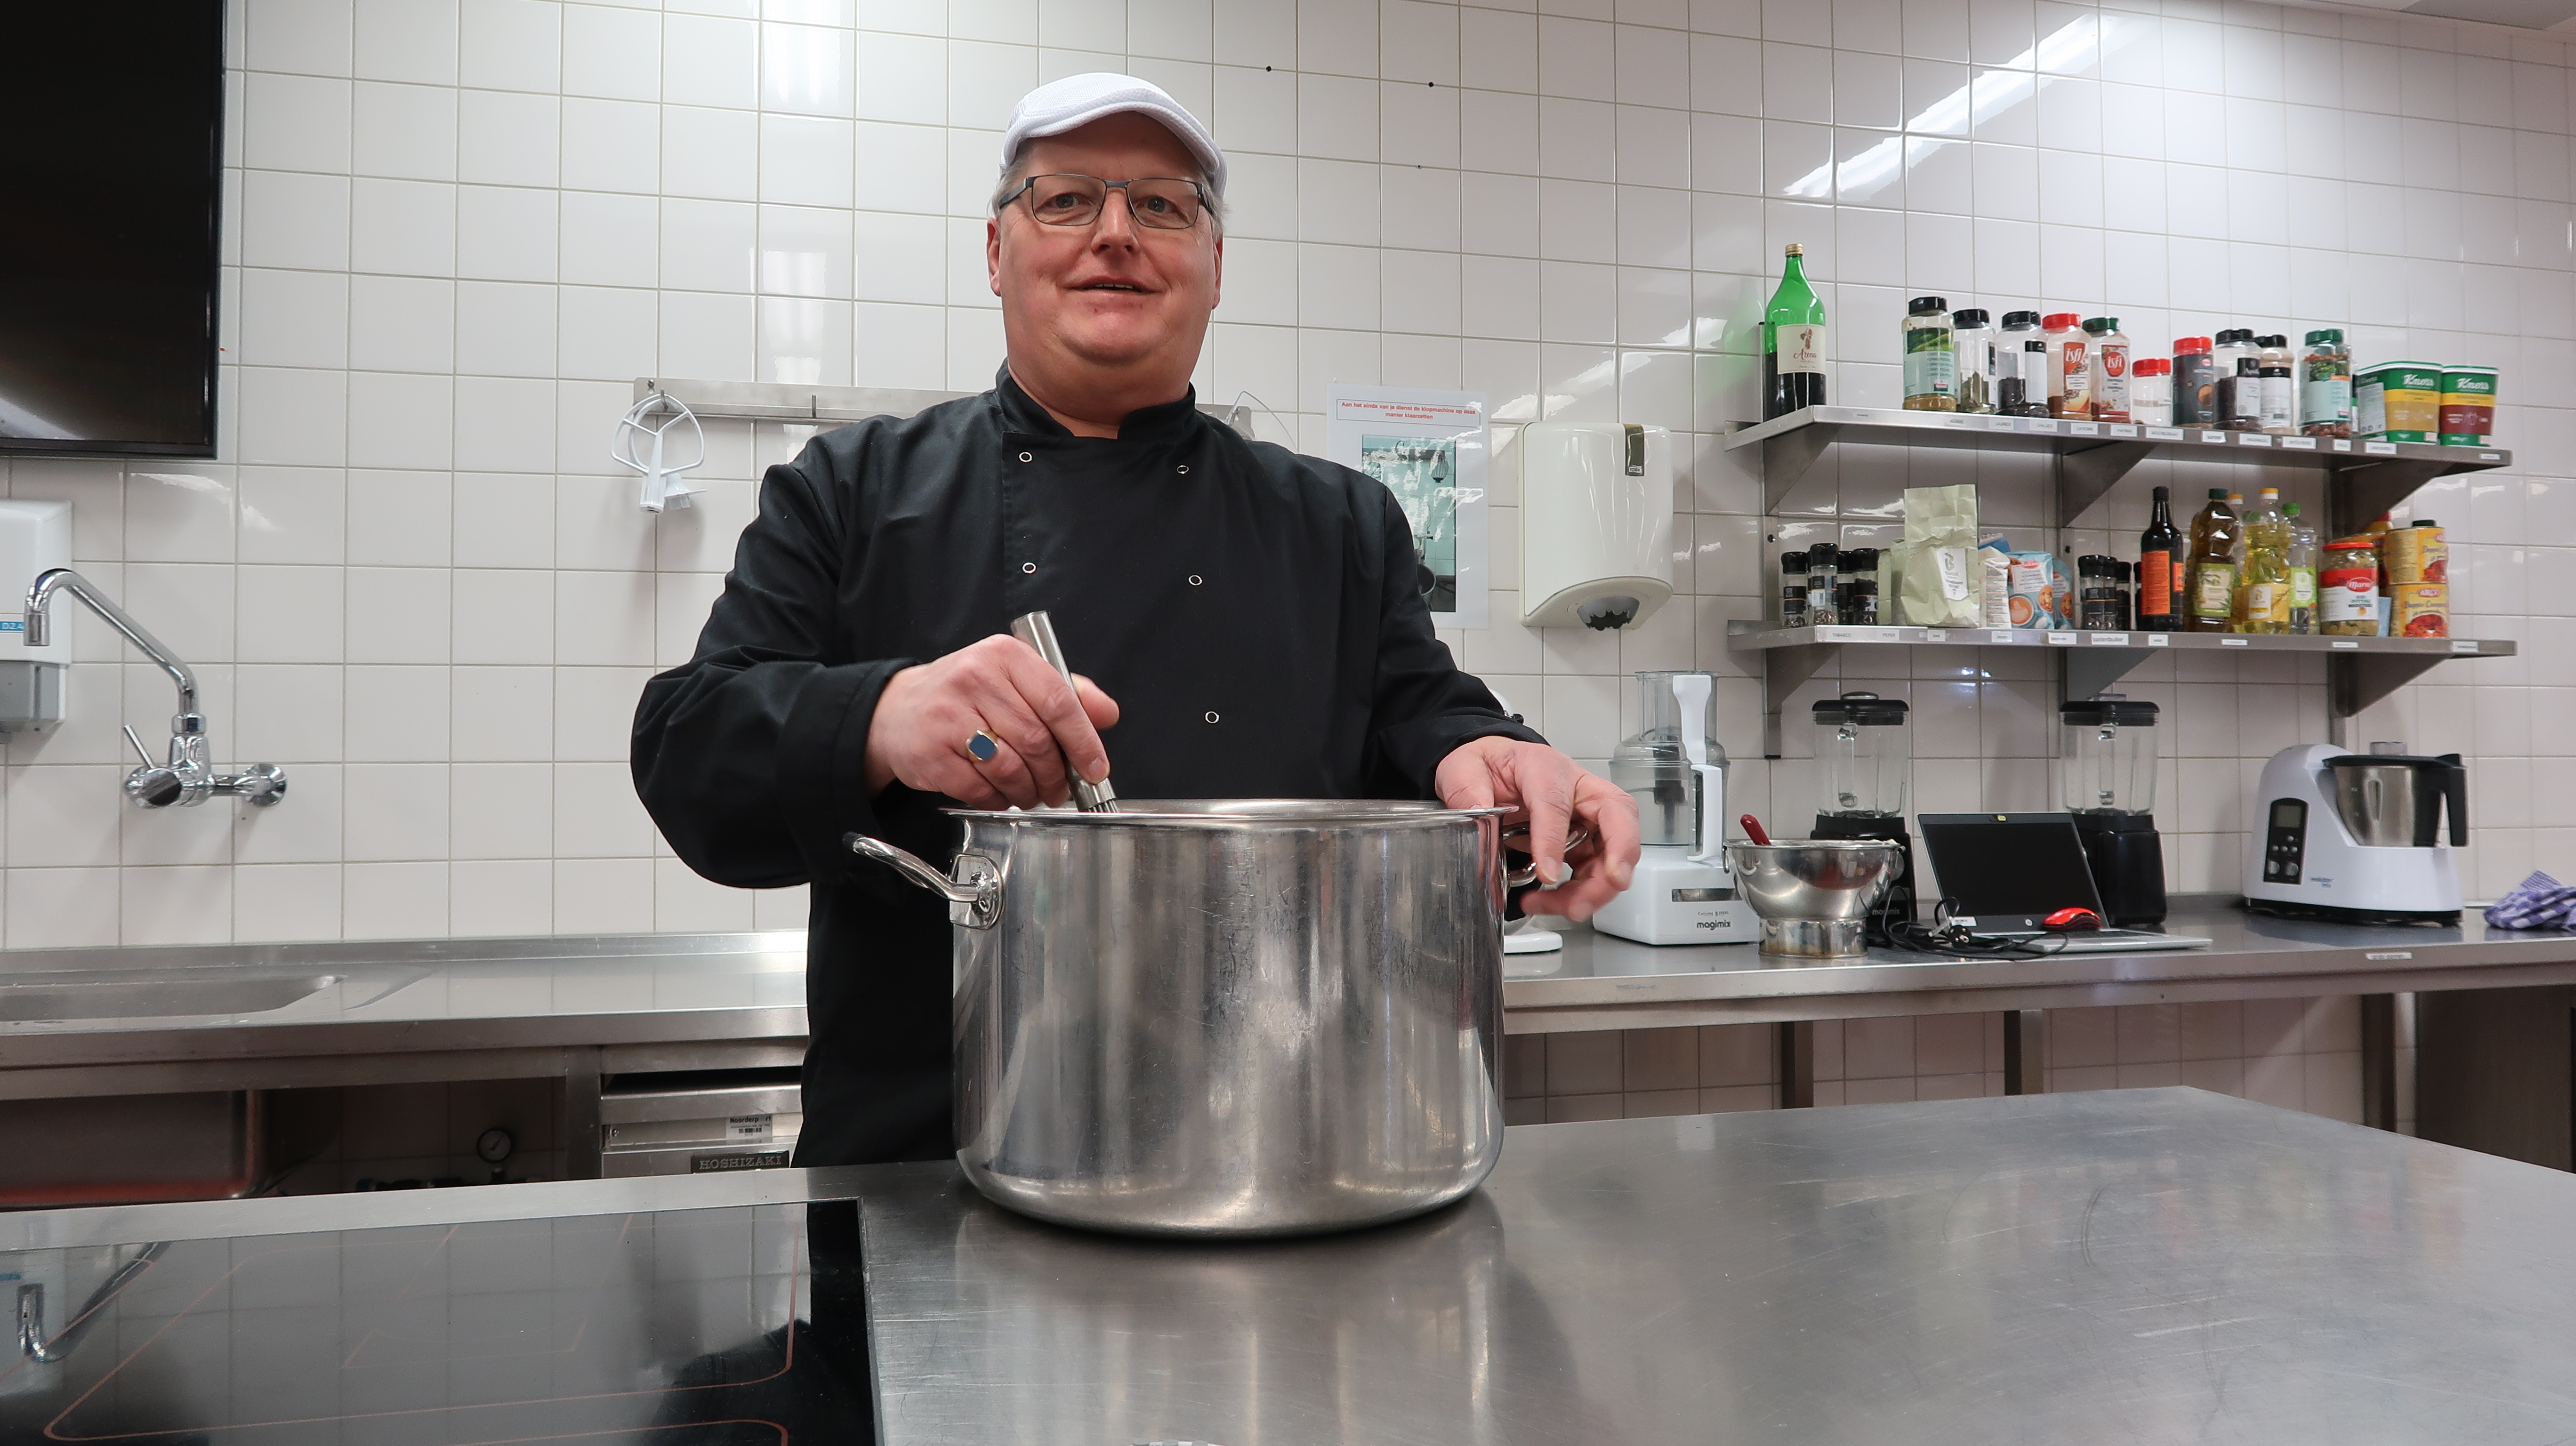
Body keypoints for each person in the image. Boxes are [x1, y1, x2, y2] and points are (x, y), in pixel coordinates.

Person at [633, 73, 1640, 1170]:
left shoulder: (1338, 522)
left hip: (1278, 1165)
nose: (1115, 233)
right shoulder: (851, 490)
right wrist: (881, 713)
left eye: (1162, 205)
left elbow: (1421, 713)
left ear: (1215, 266)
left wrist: (1492, 759)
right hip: (924, 1173)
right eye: (1064, 199)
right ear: (994, 251)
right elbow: (690, 748)